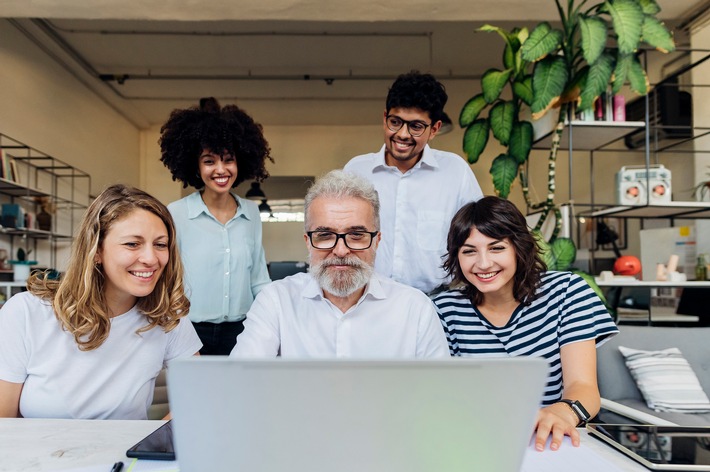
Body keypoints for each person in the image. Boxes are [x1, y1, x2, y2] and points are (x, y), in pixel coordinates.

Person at [0, 184, 202, 419]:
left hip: (124, 456)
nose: (150, 258)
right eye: (132, 244)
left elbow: (199, 394)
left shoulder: (167, 316)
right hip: (39, 454)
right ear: (96, 251)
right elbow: (4, 425)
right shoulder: (25, 312)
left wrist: (156, 442)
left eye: (160, 244)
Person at [433, 196, 618, 452]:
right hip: (475, 442)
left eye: (497, 248)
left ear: (519, 247)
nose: (483, 263)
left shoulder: (568, 292)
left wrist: (562, 413)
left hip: (550, 442)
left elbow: (583, 386)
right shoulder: (443, 309)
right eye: (469, 251)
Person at [231, 170, 449, 358]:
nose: (341, 250)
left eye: (356, 234)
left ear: (377, 241)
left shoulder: (415, 308)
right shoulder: (276, 301)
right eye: (325, 234)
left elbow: (439, 395)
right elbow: (241, 381)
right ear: (308, 242)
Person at [344, 71, 483, 294]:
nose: (402, 134)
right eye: (395, 122)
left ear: (434, 129)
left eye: (416, 126)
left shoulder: (455, 172)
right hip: (367, 299)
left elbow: (479, 235)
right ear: (384, 117)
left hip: (437, 301)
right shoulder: (356, 171)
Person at [159, 97, 273, 355]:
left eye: (228, 159)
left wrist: (271, 326)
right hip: (189, 330)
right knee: (193, 396)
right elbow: (166, 281)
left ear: (240, 161)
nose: (220, 169)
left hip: (243, 331)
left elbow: (259, 280)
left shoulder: (252, 213)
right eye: (209, 161)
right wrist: (181, 336)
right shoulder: (175, 214)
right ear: (196, 166)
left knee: (240, 396)